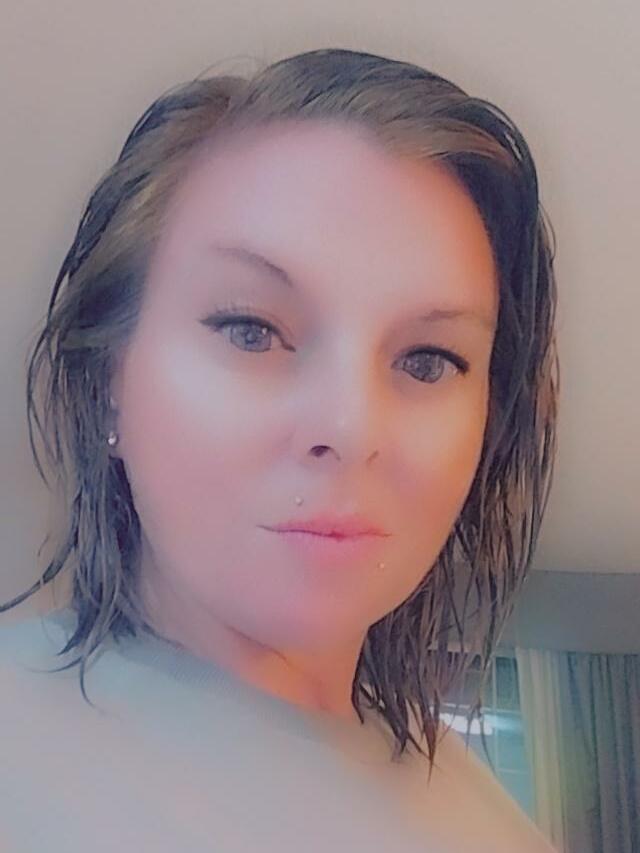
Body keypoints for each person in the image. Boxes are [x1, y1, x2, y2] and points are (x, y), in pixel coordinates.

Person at [0, 47, 560, 852]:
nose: (353, 429)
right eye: (251, 330)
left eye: (427, 360)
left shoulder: (494, 827)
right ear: (108, 378)